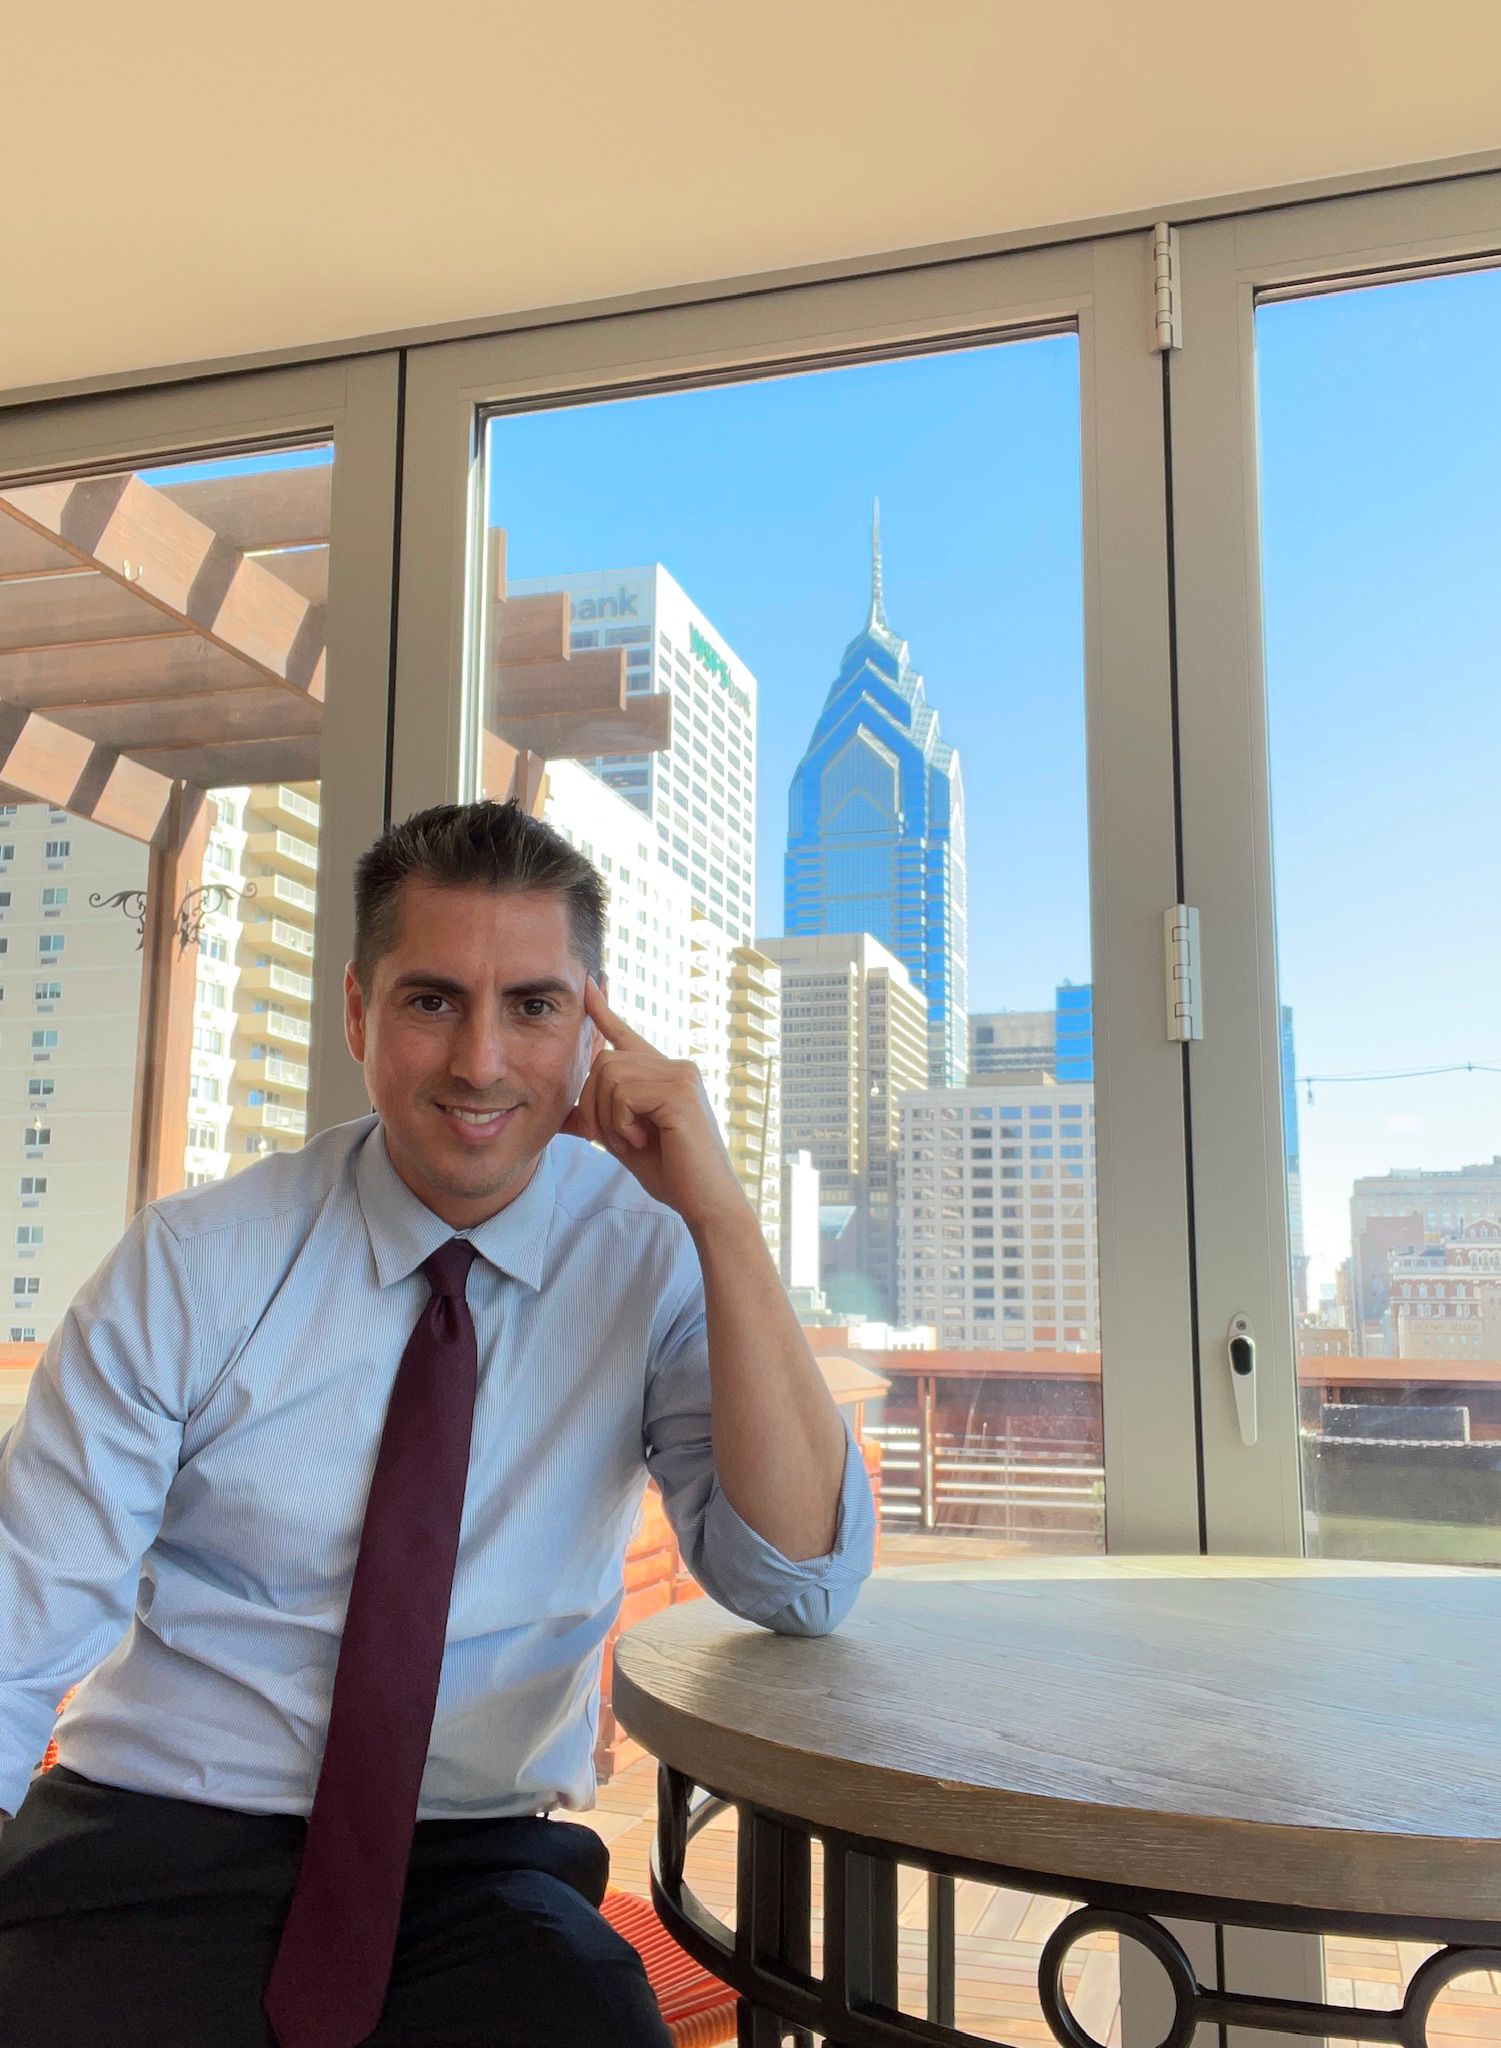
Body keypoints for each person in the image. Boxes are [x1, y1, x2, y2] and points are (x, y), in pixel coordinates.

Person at [0, 799, 875, 2047]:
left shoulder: (653, 1257)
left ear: (592, 1030)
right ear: (359, 1013)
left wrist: (721, 1216)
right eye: (432, 1000)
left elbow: (797, 1581)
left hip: (479, 1868)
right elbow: (19, 1621)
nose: (480, 1060)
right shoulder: (195, 1263)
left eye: (533, 1005)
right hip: (155, 1830)